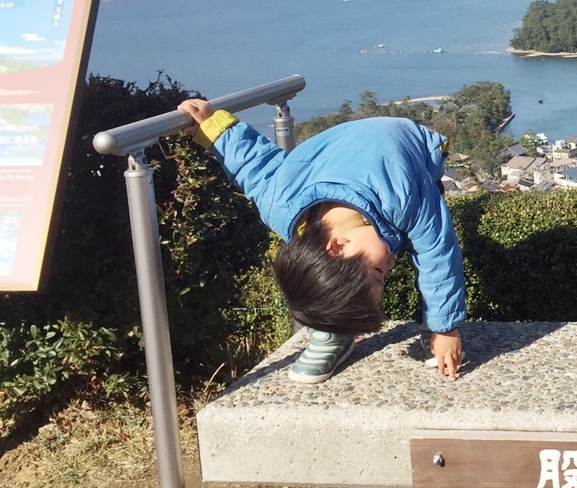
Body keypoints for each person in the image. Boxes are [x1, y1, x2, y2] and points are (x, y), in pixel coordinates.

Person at [178, 98, 466, 384]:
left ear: (337, 245)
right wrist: (215, 129)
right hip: (329, 156)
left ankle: (418, 320)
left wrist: (445, 329)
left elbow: (438, 251)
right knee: (325, 283)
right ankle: (332, 331)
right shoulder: (281, 205)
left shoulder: (402, 191)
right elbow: (255, 167)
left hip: (405, 142)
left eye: (379, 272)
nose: (390, 265)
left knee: (421, 234)